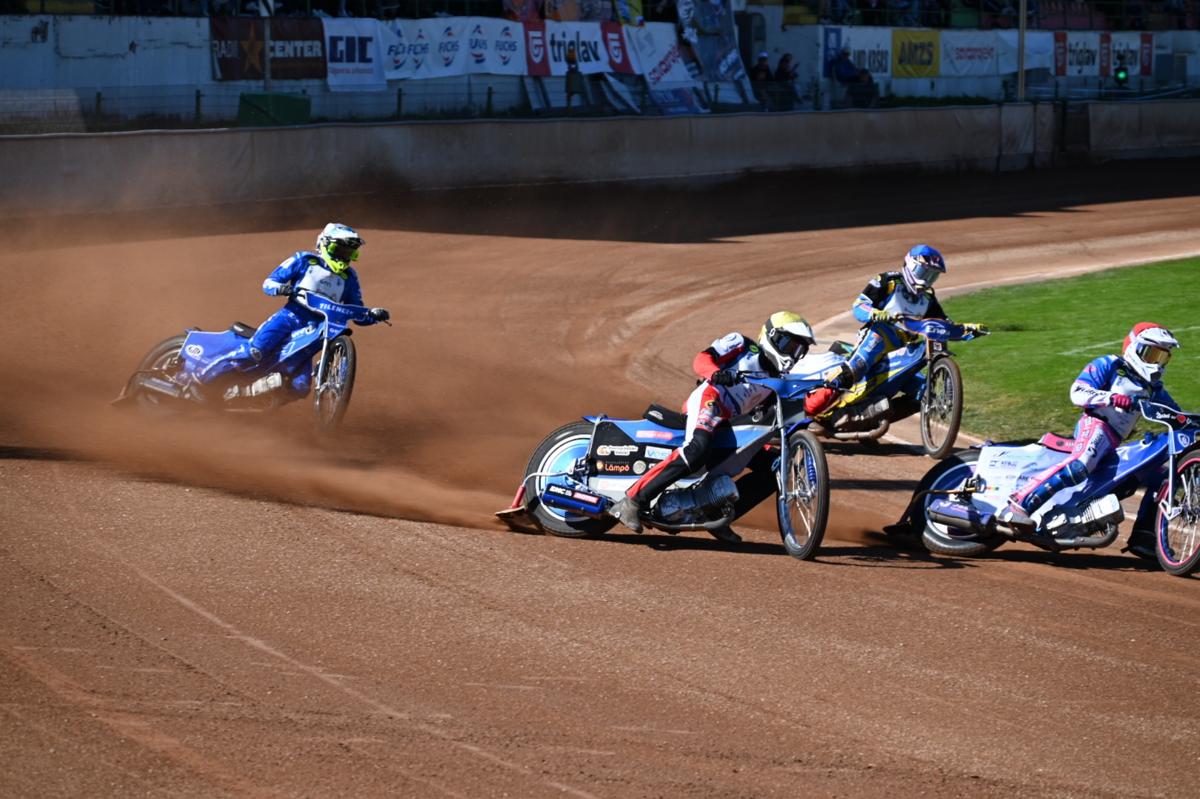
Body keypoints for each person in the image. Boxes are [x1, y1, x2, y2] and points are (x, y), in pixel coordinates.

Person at [609, 312, 818, 538]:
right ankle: (632, 501)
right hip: (711, 399)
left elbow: (794, 408)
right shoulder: (742, 344)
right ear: (773, 336)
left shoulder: (778, 381)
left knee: (774, 468)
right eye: (790, 345)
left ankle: (717, 518)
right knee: (697, 449)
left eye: (799, 350)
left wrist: (834, 384)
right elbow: (701, 359)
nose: (793, 354)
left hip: (730, 423)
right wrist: (717, 373)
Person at [1001, 323, 1180, 558]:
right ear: (1134, 348)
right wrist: (1112, 398)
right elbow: (1077, 392)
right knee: (1081, 464)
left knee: (1161, 476)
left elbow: (1177, 414)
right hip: (1096, 424)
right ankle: (1020, 503)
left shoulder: (1153, 388)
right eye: (1151, 354)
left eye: (1162, 357)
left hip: (1115, 442)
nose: (1156, 363)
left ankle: (1144, 537)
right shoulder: (1111, 364)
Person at [804, 245, 977, 418]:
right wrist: (874, 313)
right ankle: (813, 404)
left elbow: (943, 324)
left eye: (932, 276)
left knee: (924, 392)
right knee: (857, 367)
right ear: (911, 266)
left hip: (903, 347)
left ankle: (878, 416)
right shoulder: (889, 281)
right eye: (924, 272)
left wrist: (966, 330)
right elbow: (859, 306)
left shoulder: (928, 299)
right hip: (879, 335)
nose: (926, 280)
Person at [228, 223, 390, 397]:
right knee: (255, 352)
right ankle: (212, 375)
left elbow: (357, 311)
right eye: (339, 249)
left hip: (318, 329)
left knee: (300, 388)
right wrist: (281, 288)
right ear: (324, 244)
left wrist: (373, 315)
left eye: (349, 252)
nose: (344, 255)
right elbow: (270, 282)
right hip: (290, 317)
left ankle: (247, 394)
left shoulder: (349, 277)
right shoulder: (304, 260)